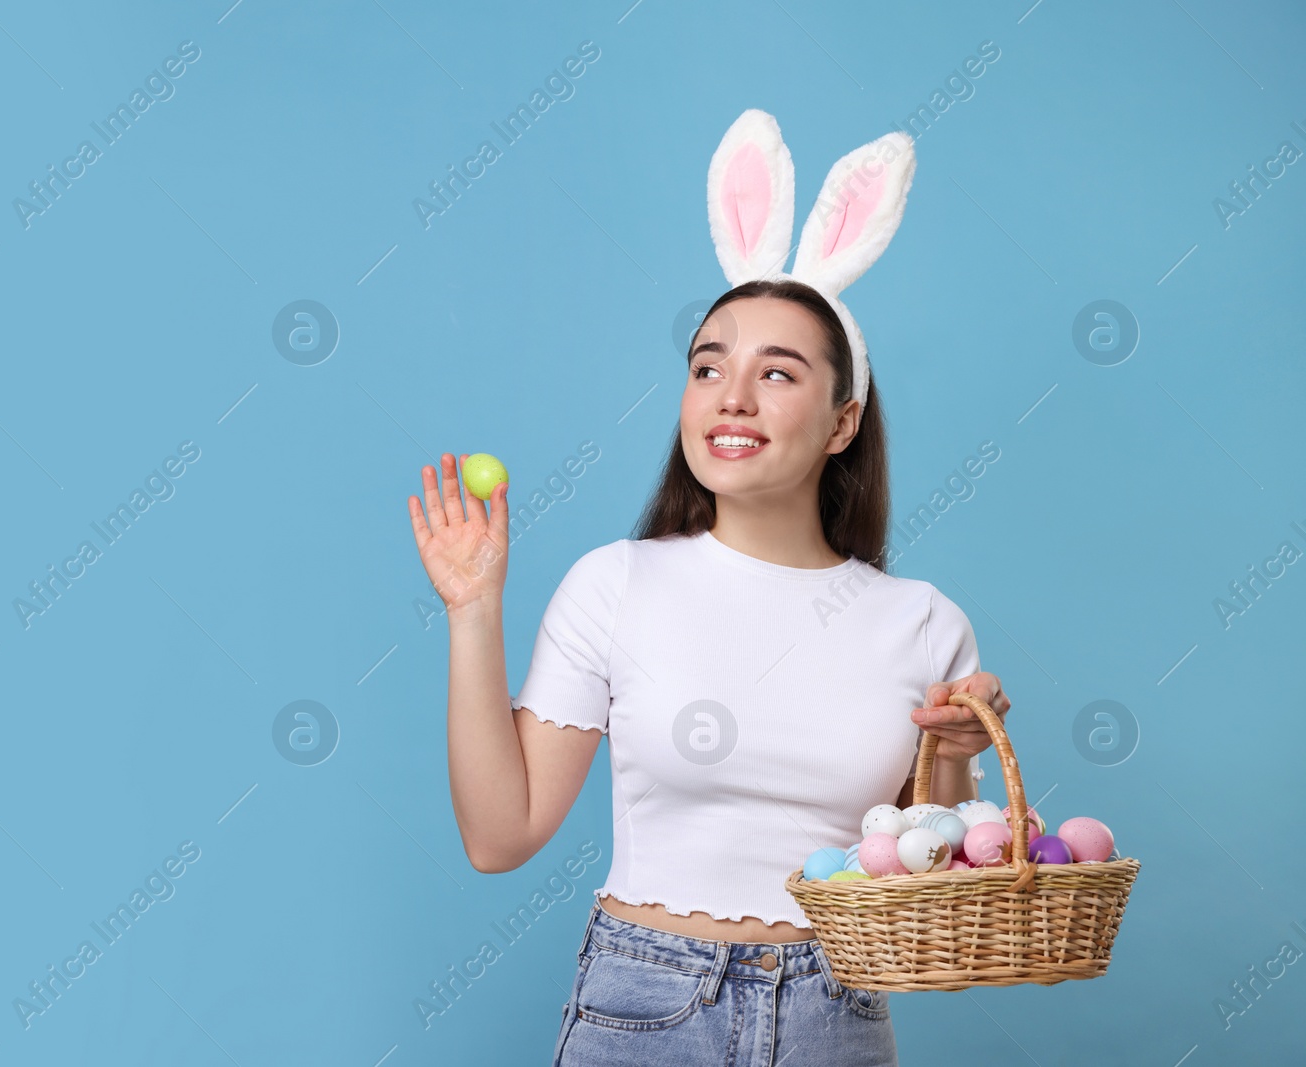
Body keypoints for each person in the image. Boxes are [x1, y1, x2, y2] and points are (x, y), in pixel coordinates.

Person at [407, 111, 1013, 1065]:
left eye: (778, 373)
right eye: (708, 366)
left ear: (843, 421)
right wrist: (474, 609)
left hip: (836, 1015)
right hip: (645, 1006)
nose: (732, 396)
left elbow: (927, 886)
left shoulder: (923, 623)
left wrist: (959, 756)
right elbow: (500, 834)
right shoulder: (616, 583)